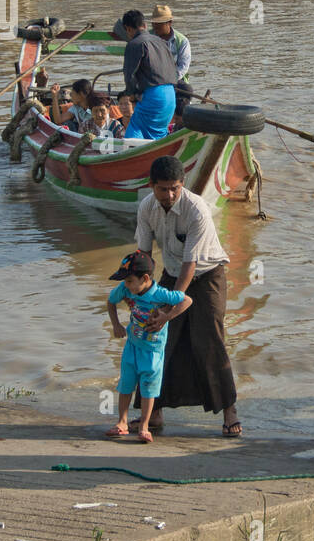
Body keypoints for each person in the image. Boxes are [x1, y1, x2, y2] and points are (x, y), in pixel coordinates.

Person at [135, 155, 240, 436]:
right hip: (172, 272)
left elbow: (190, 265)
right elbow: (144, 256)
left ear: (182, 185)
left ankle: (230, 411)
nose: (169, 195)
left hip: (207, 276)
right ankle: (153, 413)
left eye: (175, 188)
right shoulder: (146, 208)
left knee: (210, 340)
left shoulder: (196, 210)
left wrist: (170, 309)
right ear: (151, 186)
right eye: (162, 189)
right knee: (156, 338)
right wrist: (142, 293)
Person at [103, 250, 191, 443]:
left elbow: (187, 300)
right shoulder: (126, 289)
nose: (125, 285)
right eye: (125, 281)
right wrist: (116, 324)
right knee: (126, 384)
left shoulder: (161, 294)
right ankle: (122, 423)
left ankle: (144, 426)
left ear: (144, 278)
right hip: (132, 346)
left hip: (153, 351)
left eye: (129, 281)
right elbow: (111, 302)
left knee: (148, 389)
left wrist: (167, 317)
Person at [120, 9, 179, 140]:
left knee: (133, 134)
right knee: (158, 137)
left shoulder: (134, 44)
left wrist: (132, 96)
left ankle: (131, 158)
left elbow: (129, 76)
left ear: (128, 29)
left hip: (154, 96)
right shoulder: (162, 42)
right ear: (145, 25)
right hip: (170, 96)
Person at [150, 5, 192, 90]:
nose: (155, 26)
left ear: (169, 23)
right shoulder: (148, 38)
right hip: (152, 80)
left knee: (187, 89)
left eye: (159, 24)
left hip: (176, 80)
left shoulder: (182, 41)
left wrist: (168, 81)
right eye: (154, 23)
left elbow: (183, 67)